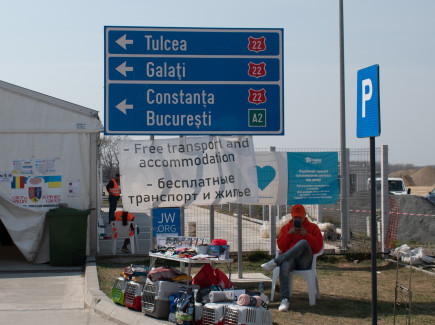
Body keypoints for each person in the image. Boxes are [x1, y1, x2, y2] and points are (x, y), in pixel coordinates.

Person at [261, 204, 323, 312]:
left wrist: (306, 234)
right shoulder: (286, 228)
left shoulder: (313, 228)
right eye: (295, 217)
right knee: (284, 264)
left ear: (305, 216)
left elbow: (318, 247)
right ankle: (285, 299)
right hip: (290, 260)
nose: (297, 219)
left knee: (303, 242)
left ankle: (275, 262)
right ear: (292, 217)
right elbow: (281, 247)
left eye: (300, 217)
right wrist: (289, 234)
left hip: (305, 261)